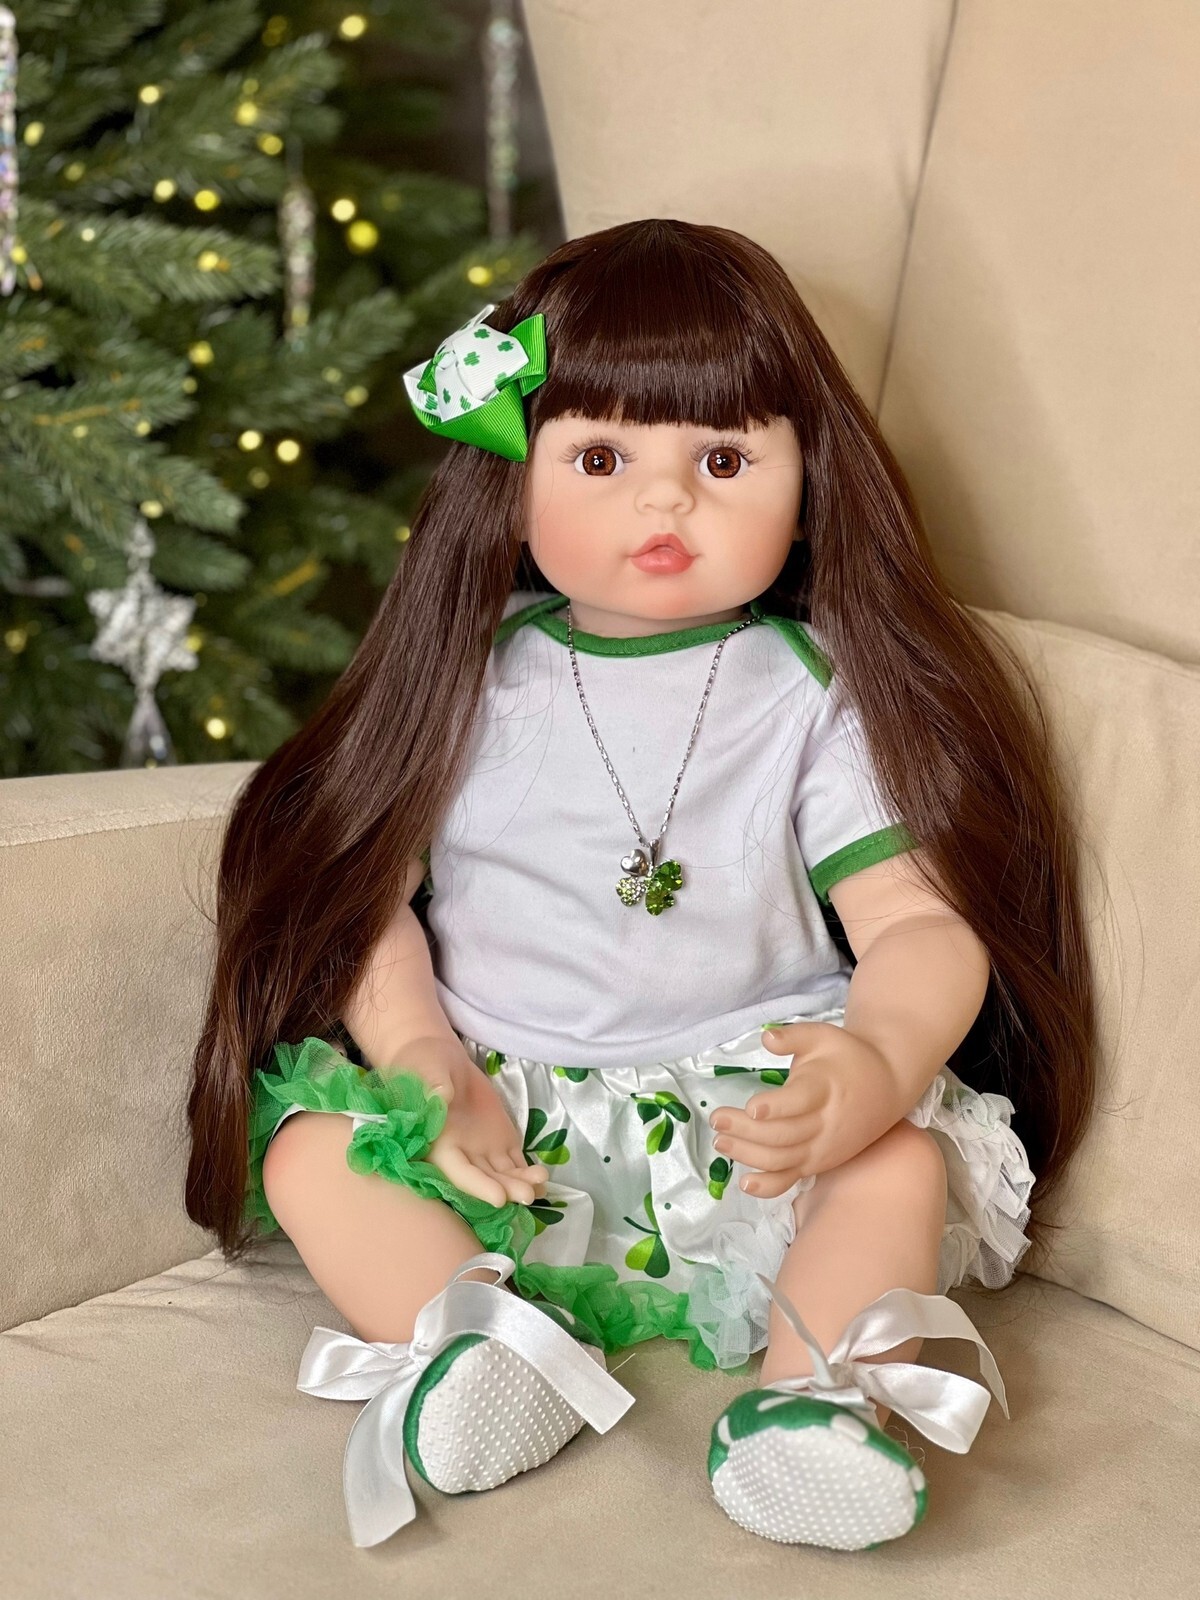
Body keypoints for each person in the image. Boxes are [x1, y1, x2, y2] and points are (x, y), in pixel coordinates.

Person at [185, 218, 1098, 1552]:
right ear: (513, 476)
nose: (665, 505)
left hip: (750, 1125)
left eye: (722, 461)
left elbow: (916, 919)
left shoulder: (813, 695)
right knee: (316, 1150)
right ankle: (479, 1350)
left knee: (896, 1163)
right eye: (602, 459)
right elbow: (363, 892)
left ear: (809, 477)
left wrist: (877, 1062)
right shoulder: (469, 676)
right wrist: (422, 1052)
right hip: (498, 1118)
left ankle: (816, 1405)